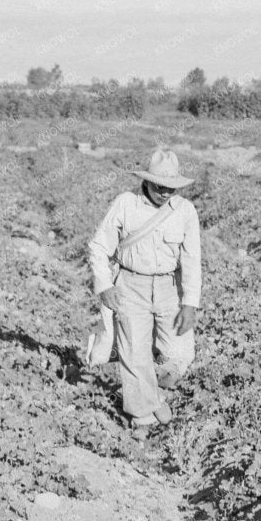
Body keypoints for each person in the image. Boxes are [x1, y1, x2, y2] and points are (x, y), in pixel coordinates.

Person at [88, 149, 202, 440]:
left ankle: (152, 395)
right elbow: (99, 247)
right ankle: (142, 417)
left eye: (170, 188)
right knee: (134, 351)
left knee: (178, 352)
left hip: (168, 288)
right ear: (147, 182)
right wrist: (104, 286)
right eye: (159, 186)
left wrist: (189, 303)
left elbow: (191, 260)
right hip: (131, 285)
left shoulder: (185, 211)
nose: (165, 193)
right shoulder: (126, 204)